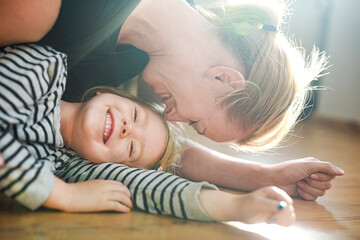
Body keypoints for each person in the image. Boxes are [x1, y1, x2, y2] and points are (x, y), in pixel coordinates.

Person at [0, 0, 344, 201]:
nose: (173, 118)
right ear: (224, 78)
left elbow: (163, 150)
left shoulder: (131, 61)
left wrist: (263, 177)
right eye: (196, 123)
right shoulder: (41, 10)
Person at [0, 44, 297, 226]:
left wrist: (235, 206)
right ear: (108, 92)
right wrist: (61, 194)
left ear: (106, 168)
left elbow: (147, 187)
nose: (127, 130)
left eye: (131, 150)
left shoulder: (61, 166)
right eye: (136, 116)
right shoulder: (44, 68)